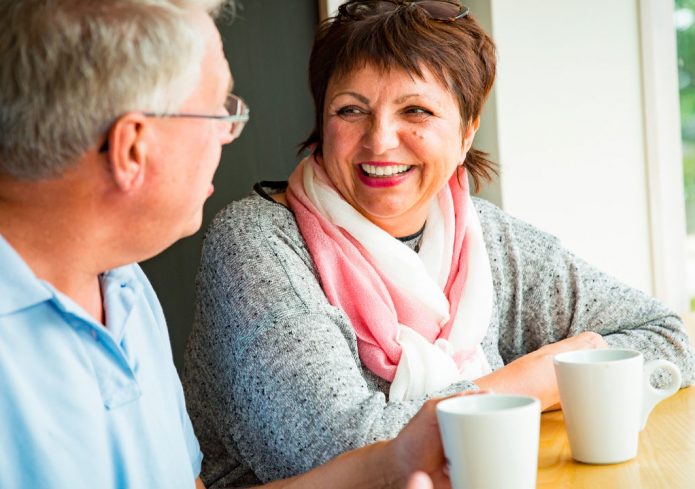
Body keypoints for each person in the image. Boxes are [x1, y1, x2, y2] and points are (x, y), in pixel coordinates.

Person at [183, 0, 695, 486]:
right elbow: (344, 453)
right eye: (350, 110)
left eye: (416, 111)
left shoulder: (488, 238)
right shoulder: (256, 243)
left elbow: (667, 337)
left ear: (467, 131)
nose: (380, 140)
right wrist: (528, 384)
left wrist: (553, 381)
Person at [0, 0, 458, 487]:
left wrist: (391, 465)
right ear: (133, 147)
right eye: (218, 111)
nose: (229, 135)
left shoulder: (122, 285)